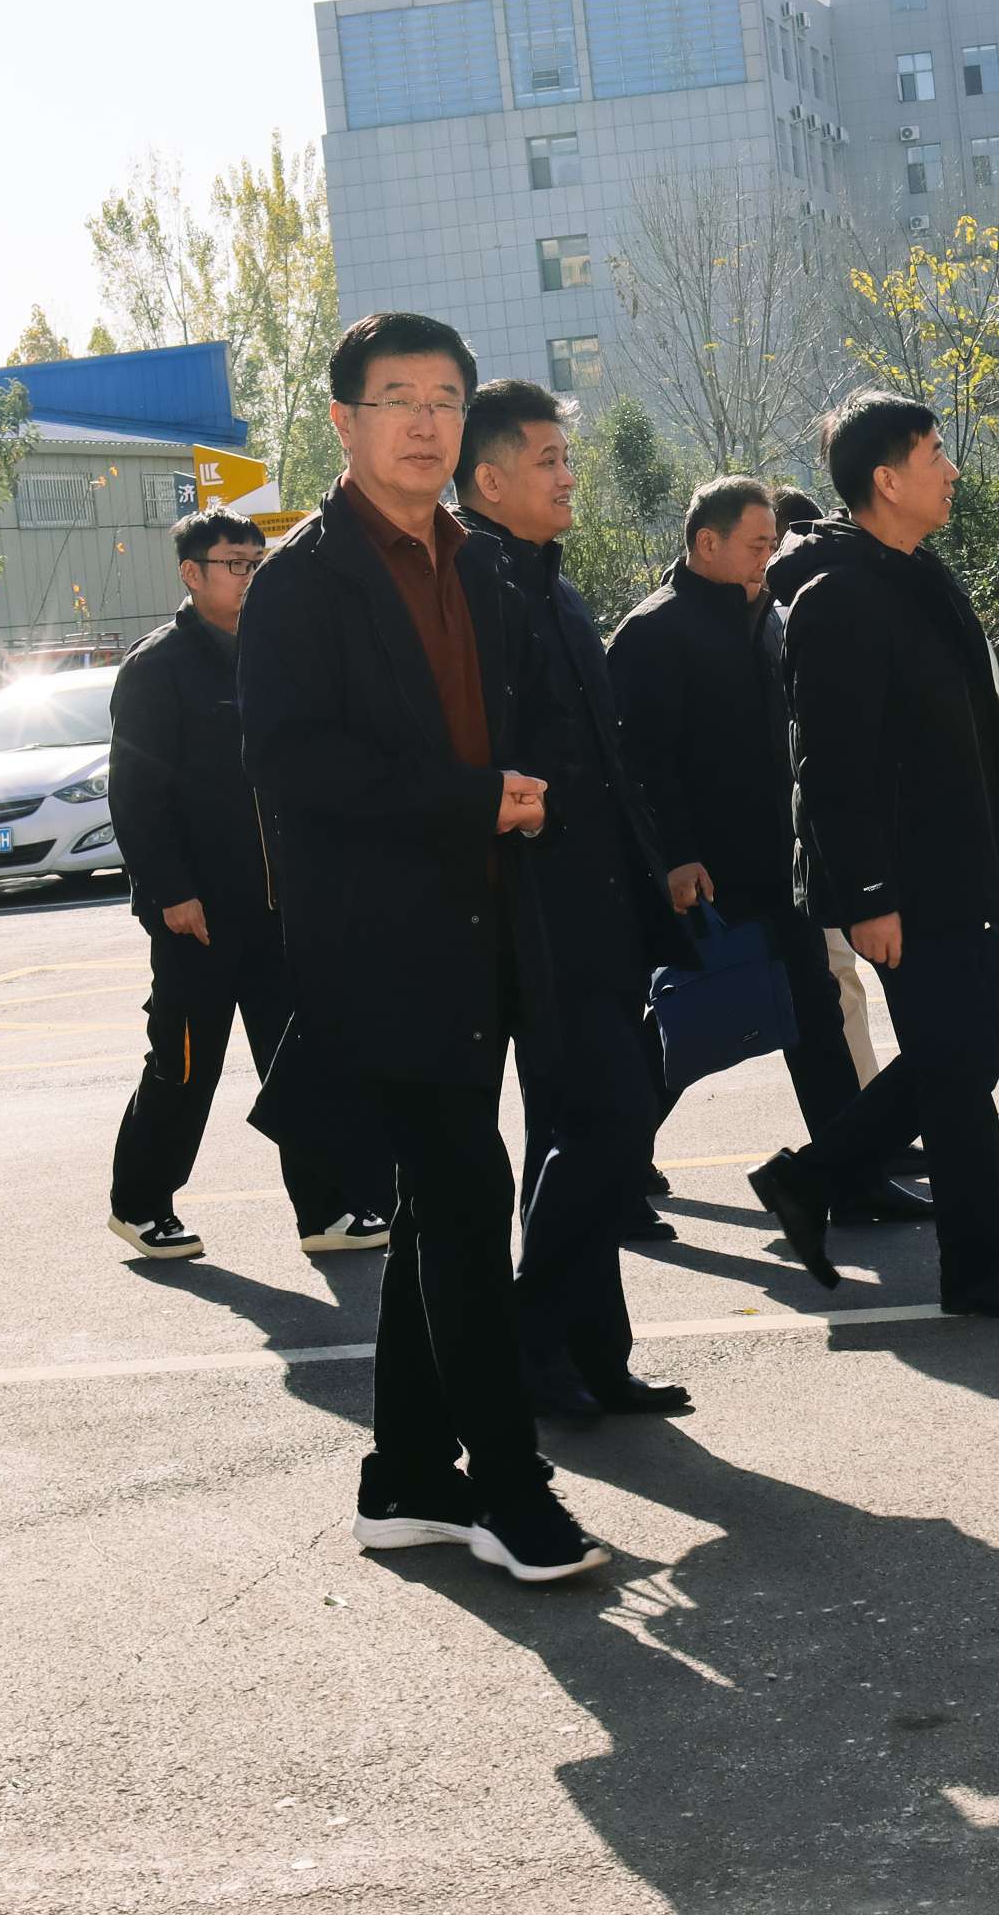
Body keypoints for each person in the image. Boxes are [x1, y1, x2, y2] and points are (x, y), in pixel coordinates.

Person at [238, 311, 605, 1583]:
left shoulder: (482, 566)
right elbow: (293, 764)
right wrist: (470, 799)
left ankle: (403, 1476)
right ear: (343, 421)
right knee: (464, 1200)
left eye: (445, 397)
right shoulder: (300, 582)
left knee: (440, 1206)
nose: (425, 421)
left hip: (488, 929)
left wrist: (530, 789)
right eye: (397, 397)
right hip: (380, 950)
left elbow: (532, 720)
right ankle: (508, 1487)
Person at [747, 393, 999, 1319]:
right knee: (960, 1068)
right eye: (935, 454)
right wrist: (869, 895)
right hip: (904, 883)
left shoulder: (914, 574)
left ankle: (812, 1179)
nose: (952, 469)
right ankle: (975, 1269)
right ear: (886, 481)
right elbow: (830, 766)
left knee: (959, 1054)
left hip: (959, 868)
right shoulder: (840, 597)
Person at [456, 379, 697, 1420]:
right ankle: (533, 1341)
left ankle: (590, 1355)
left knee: (587, 1129)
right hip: (531, 914)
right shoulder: (471, 587)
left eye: (567, 457)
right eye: (548, 460)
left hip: (599, 910)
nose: (567, 476)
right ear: (488, 479)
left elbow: (606, 757)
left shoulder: (551, 586)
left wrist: (660, 867)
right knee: (604, 1122)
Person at [611, 478, 916, 1218]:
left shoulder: (765, 619)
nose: (767, 559)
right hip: (708, 874)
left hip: (781, 864)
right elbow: (640, 767)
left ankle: (849, 1178)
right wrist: (676, 857)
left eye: (771, 545)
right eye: (755, 546)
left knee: (814, 1016)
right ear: (705, 543)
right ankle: (606, 1166)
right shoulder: (653, 632)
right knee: (689, 1021)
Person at [102, 505, 389, 1264]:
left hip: (280, 908)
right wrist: (171, 891)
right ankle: (141, 1204)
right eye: (236, 564)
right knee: (185, 1063)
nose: (250, 577)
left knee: (298, 1063)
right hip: (197, 912)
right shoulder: (158, 666)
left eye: (258, 563)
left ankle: (325, 1211)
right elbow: (136, 792)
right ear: (192, 574)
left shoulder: (276, 655)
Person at [770, 484, 882, 1088]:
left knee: (838, 980)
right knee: (837, 980)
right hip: (818, 839)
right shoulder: (810, 608)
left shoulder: (791, 614)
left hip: (816, 837)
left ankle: (867, 1108)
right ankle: (868, 1109)